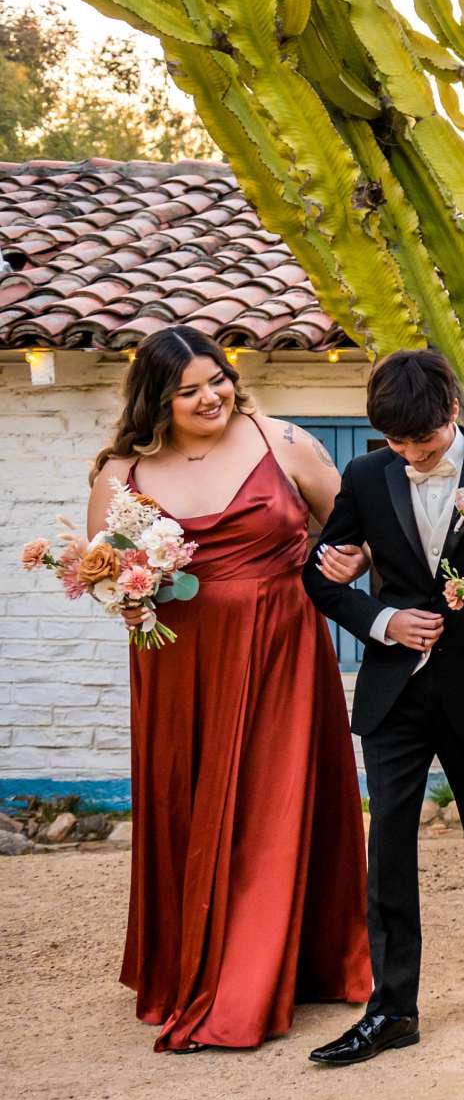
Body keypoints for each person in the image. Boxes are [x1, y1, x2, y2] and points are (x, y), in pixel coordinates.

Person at [91, 326, 369, 1051]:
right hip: (180, 662)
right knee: (194, 806)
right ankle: (195, 962)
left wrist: (347, 562)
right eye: (188, 390)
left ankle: (267, 977)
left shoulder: (282, 443)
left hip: (282, 647)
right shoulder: (123, 473)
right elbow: (105, 573)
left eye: (216, 379)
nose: (210, 396)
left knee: (275, 804)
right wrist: (126, 594)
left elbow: (354, 529)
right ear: (159, 400)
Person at [300, 350, 464, 1067]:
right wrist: (383, 620)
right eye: (397, 444)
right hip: (394, 692)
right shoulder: (363, 475)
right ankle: (393, 1007)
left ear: (451, 411)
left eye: (424, 442)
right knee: (390, 849)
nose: (409, 454)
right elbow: (320, 577)